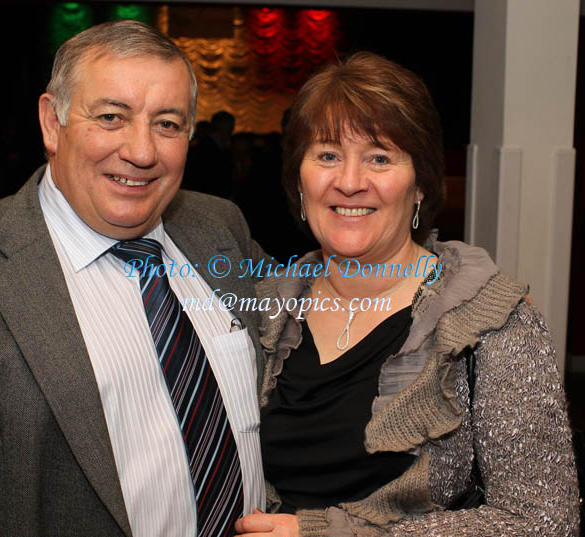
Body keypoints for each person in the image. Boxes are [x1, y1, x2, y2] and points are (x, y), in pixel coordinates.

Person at [0, 20, 267, 537]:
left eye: (168, 124)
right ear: (51, 122)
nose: (142, 151)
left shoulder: (219, 227)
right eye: (111, 117)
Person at [235, 52, 579, 536]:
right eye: (328, 155)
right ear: (299, 179)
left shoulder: (492, 322)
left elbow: (544, 521)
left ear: (419, 184)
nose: (350, 182)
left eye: (379, 157)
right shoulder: (264, 309)